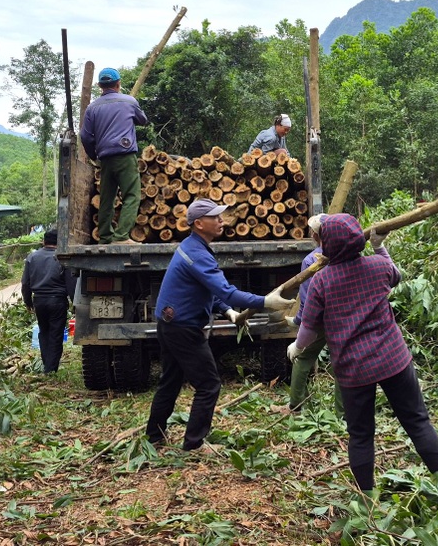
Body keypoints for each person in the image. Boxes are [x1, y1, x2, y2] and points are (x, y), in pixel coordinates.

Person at [287, 214, 438, 499]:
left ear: (325, 245)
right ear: (358, 239)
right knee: (417, 421)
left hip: (354, 370)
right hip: (393, 359)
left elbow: (309, 330)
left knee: (361, 435)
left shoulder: (321, 282)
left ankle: (368, 499)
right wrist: (379, 247)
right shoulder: (378, 267)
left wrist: (297, 348)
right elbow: (396, 274)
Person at [145, 198, 295, 452]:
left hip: (170, 323)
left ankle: (154, 437)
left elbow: (210, 292)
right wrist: (265, 301)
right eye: (216, 217)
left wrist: (228, 312)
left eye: (220, 216)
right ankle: (194, 443)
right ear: (199, 223)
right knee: (209, 384)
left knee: (170, 381)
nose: (222, 221)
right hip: (182, 328)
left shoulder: (192, 247)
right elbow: (227, 291)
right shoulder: (196, 253)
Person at [272, 214, 344, 416]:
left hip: (320, 320)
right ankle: (342, 414)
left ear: (314, 235)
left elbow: (307, 299)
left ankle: (295, 406)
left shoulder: (311, 260)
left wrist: (297, 322)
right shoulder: (346, 255)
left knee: (302, 358)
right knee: (340, 363)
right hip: (343, 319)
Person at [79, 67, 149, 245]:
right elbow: (143, 120)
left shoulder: (92, 108)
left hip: (105, 158)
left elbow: (86, 136)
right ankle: (121, 237)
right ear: (118, 84)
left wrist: (94, 155)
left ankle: (104, 236)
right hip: (125, 155)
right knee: (131, 195)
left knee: (107, 198)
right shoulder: (129, 101)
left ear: (100, 86)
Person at [21, 229, 75, 373]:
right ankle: (51, 369)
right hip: (57, 301)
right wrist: (75, 302)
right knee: (56, 334)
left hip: (39, 301)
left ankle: (47, 365)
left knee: (44, 332)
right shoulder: (62, 258)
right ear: (59, 242)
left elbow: (25, 283)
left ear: (43, 241)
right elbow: (70, 283)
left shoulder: (32, 257)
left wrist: (28, 302)